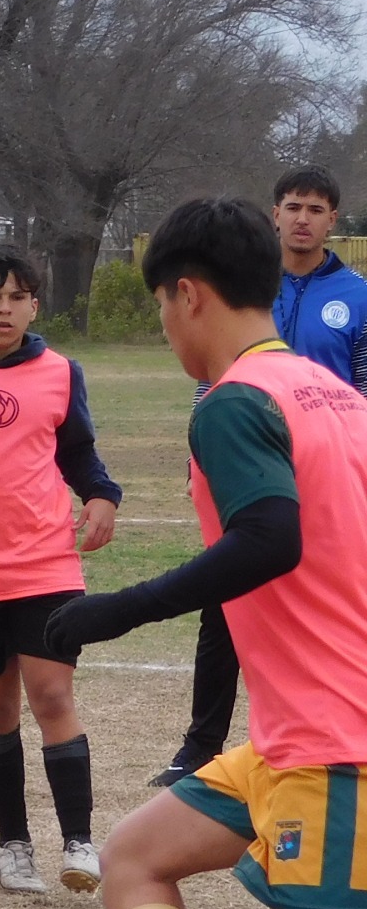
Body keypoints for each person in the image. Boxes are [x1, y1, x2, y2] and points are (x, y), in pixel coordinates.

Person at [36, 195, 367, 909]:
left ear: (187, 295)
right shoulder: (337, 396)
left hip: (333, 744)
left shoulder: (234, 404)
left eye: (160, 310)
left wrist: (118, 610)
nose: (167, 330)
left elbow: (270, 538)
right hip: (296, 736)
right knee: (136, 856)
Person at [154, 165, 367, 788]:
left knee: (297, 591)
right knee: (227, 602)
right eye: (293, 205)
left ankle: (315, 742)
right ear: (274, 213)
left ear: (334, 220)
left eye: (316, 208)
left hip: (321, 464)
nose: (303, 217)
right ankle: (201, 747)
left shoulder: (356, 295)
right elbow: (214, 376)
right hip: (247, 454)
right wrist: (202, 455)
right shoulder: (247, 284)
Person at [0, 245, 122, 897]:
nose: (4, 308)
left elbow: (81, 455)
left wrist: (101, 496)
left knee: (53, 696)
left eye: (17, 297)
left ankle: (79, 841)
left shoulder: (61, 372)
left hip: (46, 563)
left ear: (35, 304)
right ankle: (13, 843)